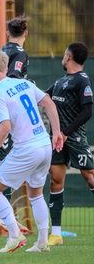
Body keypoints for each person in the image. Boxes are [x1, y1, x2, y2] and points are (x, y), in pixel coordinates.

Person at [0, 49, 63, 253]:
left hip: (27, 148)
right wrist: (56, 132)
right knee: (36, 193)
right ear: (6, 67)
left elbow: (4, 127)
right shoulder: (25, 83)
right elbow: (48, 101)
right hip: (45, 144)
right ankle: (42, 242)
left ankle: (14, 235)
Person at [45, 42, 94, 246]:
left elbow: (87, 111)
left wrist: (65, 132)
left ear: (69, 56)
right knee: (56, 180)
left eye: (64, 54)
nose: (63, 58)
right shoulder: (60, 81)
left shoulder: (82, 80)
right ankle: (56, 234)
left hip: (73, 138)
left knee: (90, 178)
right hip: (56, 139)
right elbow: (43, 98)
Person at [0, 16, 30, 233]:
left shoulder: (1, 50)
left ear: (7, 33)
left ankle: (2, 213)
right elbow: (12, 77)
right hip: (3, 112)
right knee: (4, 161)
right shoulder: (20, 53)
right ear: (26, 34)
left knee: (4, 160)